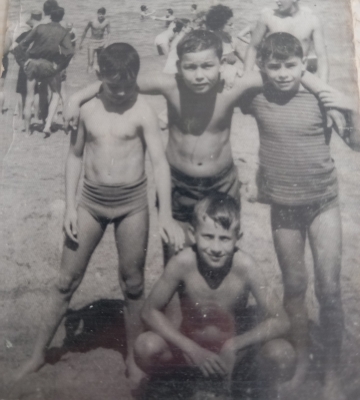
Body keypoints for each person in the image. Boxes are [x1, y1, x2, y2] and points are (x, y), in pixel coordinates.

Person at [64, 30, 328, 258]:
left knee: (221, 254)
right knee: (176, 253)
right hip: (179, 184)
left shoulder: (232, 86)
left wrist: (331, 96)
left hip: (221, 183)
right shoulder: (170, 86)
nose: (199, 75)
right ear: (179, 67)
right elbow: (118, 82)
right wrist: (76, 98)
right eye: (191, 68)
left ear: (221, 63)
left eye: (207, 66)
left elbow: (286, 72)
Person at [13, 43, 184, 389]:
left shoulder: (142, 110)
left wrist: (164, 214)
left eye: (127, 85)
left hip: (132, 204)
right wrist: (71, 206)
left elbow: (159, 163)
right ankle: (37, 355)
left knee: (133, 284)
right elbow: (75, 157)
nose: (121, 92)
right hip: (91, 202)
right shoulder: (88, 110)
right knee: (65, 282)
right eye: (112, 85)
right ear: (99, 77)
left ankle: (134, 360)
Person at [240, 32, 360, 400]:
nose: (282, 74)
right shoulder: (255, 95)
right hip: (283, 207)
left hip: (323, 202)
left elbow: (355, 144)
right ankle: (305, 364)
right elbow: (214, 96)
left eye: (290, 65)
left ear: (303, 62)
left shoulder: (320, 97)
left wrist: (349, 105)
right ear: (262, 66)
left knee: (329, 290)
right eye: (273, 66)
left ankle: (331, 377)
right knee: (294, 285)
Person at [134, 193, 295, 398]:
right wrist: (190, 348)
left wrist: (235, 345)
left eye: (225, 239)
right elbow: (149, 311)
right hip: (190, 354)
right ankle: (173, 386)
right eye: (208, 237)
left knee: (282, 353)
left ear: (238, 238)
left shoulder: (245, 266)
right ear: (193, 234)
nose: (216, 248)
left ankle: (246, 391)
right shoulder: (183, 262)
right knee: (146, 346)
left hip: (233, 356)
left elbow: (281, 320)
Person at [244, 0, 329, 82]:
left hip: (300, 73)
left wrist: (324, 82)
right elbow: (253, 47)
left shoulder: (312, 21)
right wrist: (247, 74)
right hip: (272, 72)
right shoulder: (267, 17)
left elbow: (322, 56)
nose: (275, 0)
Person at [16, 6, 74, 136]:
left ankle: (27, 131)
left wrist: (24, 62)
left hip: (32, 63)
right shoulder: (63, 31)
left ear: (50, 16)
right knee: (55, 93)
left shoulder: (40, 28)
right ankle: (47, 124)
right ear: (62, 17)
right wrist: (60, 66)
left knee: (30, 97)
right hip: (49, 65)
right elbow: (70, 51)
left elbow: (21, 46)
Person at [12, 9, 43, 123]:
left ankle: (20, 116)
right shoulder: (43, 35)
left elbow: (14, 49)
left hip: (25, 65)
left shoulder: (25, 35)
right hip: (38, 64)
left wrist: (21, 62)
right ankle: (36, 116)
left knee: (21, 91)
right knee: (36, 92)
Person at [79, 7, 110, 72]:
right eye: (100, 14)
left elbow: (108, 33)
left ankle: (99, 79)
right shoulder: (92, 21)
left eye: (103, 14)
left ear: (104, 14)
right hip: (92, 42)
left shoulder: (107, 22)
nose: (101, 15)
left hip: (101, 42)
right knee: (90, 62)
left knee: (100, 62)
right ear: (97, 14)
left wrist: (107, 43)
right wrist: (81, 43)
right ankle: (88, 78)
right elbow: (85, 31)